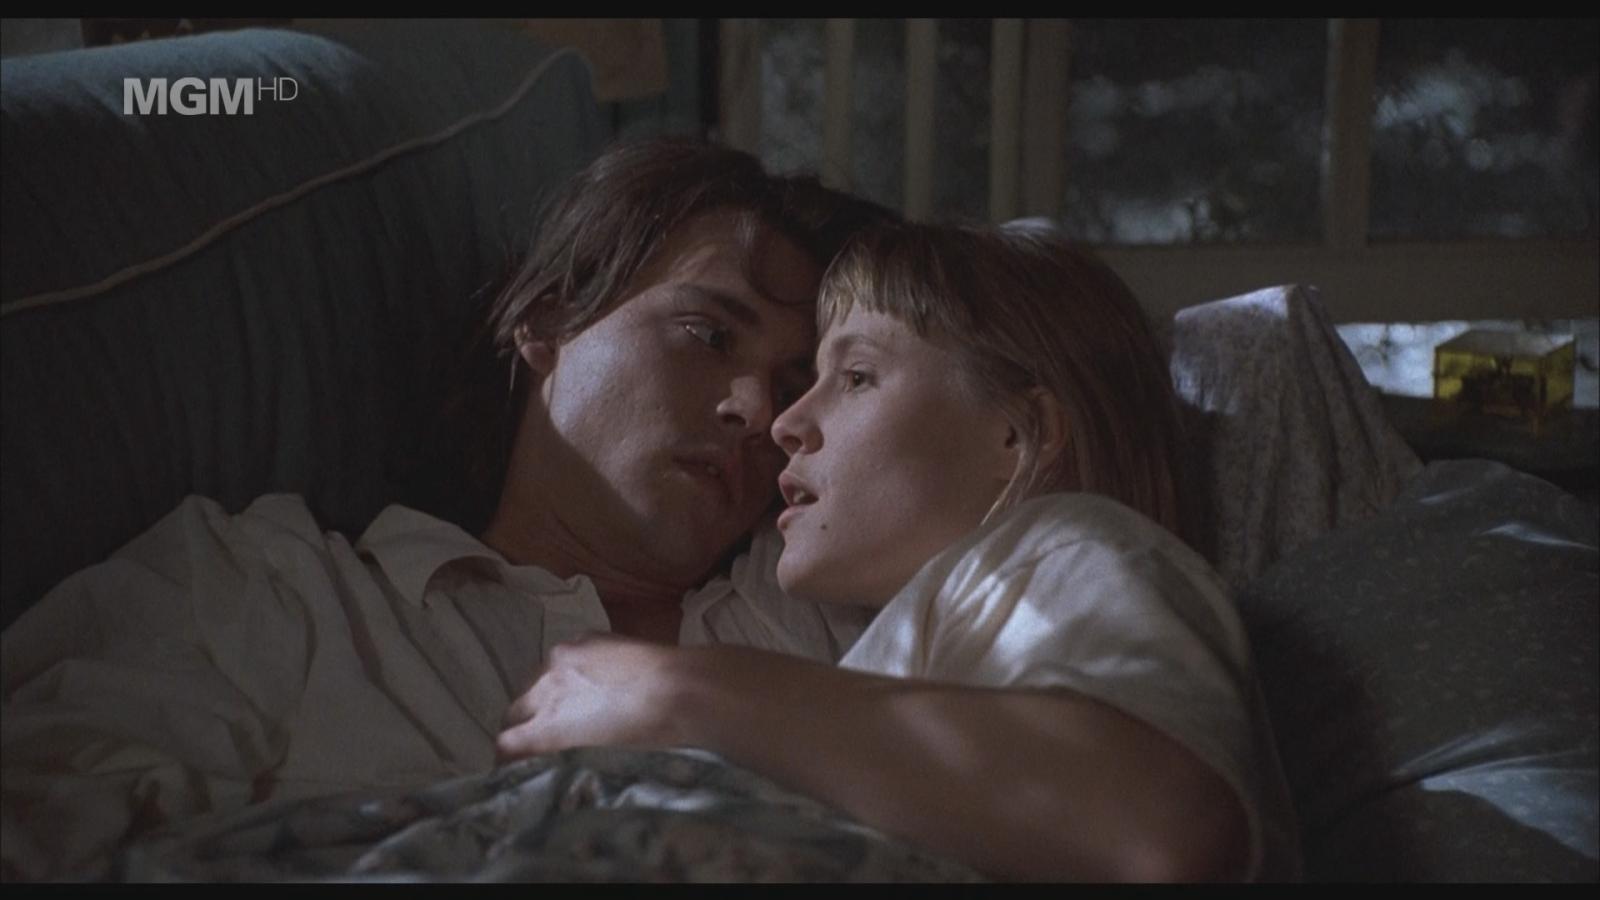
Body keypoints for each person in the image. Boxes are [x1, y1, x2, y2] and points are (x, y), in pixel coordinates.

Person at [0, 137, 891, 881]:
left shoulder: (829, 604)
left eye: (792, 384)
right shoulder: (277, 592)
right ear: (549, 319)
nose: (757, 410)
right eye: (708, 334)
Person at [494, 221, 1301, 882]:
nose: (784, 424)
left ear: (1017, 434)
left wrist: (682, 692)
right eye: (805, 384)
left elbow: (1157, 820)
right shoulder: (907, 646)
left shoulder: (1069, 545)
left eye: (855, 377)